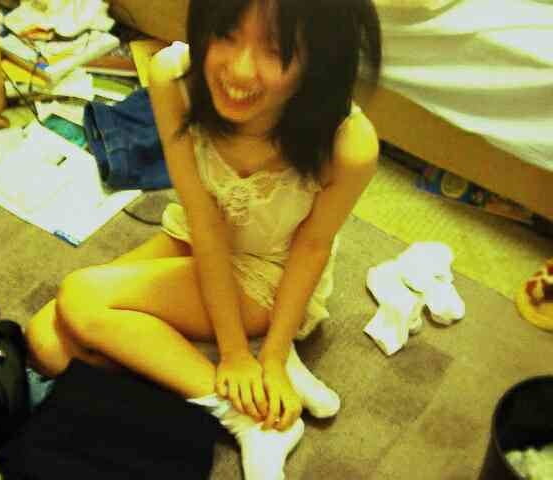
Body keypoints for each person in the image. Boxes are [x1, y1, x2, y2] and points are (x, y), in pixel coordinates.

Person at [26, 0, 382, 478]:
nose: (239, 69)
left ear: (318, 58)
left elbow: (312, 248)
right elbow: (204, 222)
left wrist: (273, 355)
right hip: (197, 236)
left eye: (275, 50)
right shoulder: (173, 78)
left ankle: (247, 417)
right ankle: (219, 355)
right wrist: (231, 352)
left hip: (271, 276)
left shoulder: (349, 143)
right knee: (47, 342)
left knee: (83, 297)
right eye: (227, 33)